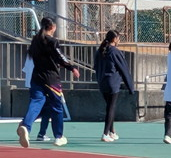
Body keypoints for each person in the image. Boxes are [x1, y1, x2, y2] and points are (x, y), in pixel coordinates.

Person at [16, 17, 79, 148]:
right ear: (52, 27)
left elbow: (33, 55)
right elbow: (60, 57)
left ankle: (26, 126)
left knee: (36, 102)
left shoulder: (35, 40)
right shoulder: (52, 41)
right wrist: (71, 67)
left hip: (36, 77)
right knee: (57, 107)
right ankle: (58, 136)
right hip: (51, 79)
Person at [93, 30, 134, 142]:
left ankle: (112, 131)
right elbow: (124, 69)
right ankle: (105, 133)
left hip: (102, 83)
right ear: (115, 39)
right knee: (111, 108)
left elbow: (95, 67)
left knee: (109, 107)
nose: (119, 40)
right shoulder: (114, 51)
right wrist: (130, 87)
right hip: (112, 83)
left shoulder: (100, 51)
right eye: (118, 38)